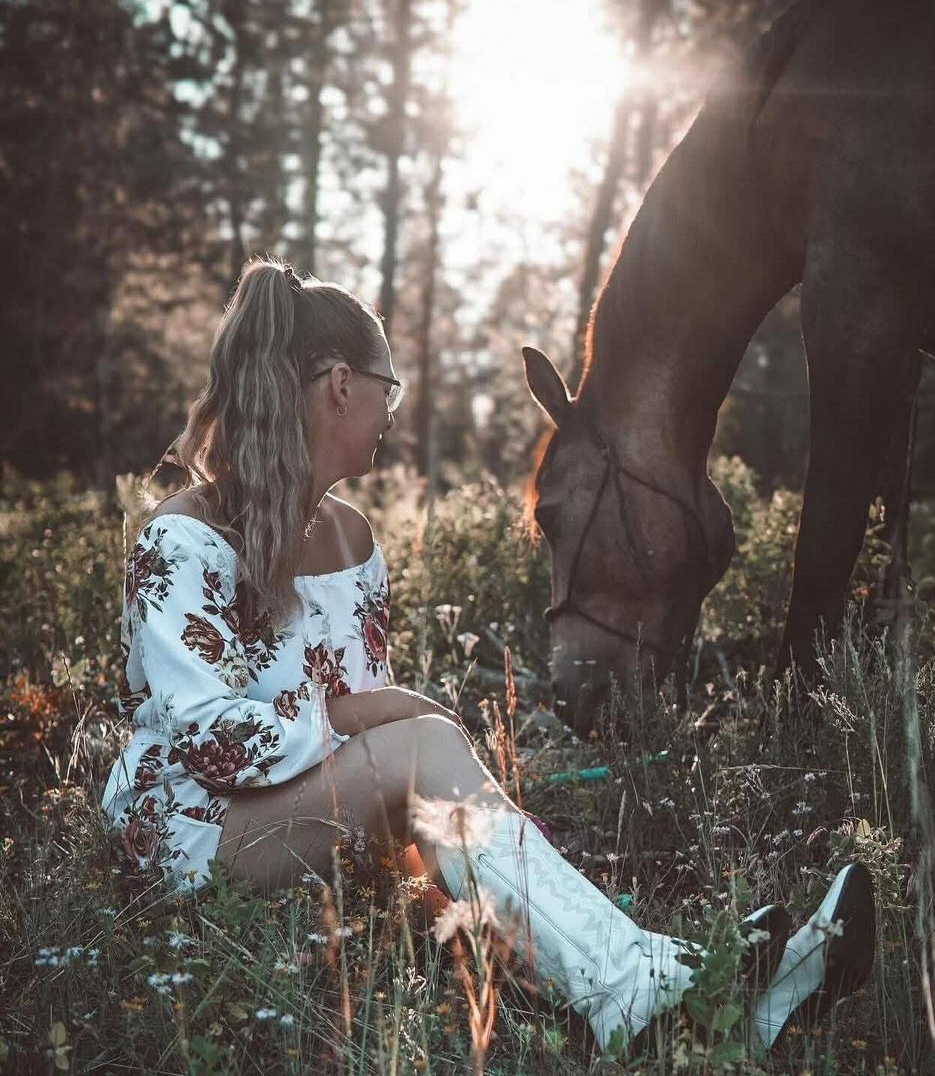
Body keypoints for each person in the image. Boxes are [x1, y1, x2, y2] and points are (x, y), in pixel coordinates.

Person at [100, 256, 875, 1059]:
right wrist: (376, 715)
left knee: (456, 810)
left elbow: (368, 770)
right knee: (425, 748)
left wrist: (470, 848)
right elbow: (216, 745)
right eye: (388, 387)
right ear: (340, 385)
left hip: (302, 823)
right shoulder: (183, 538)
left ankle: (726, 999)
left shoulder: (353, 537)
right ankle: (657, 984)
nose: (392, 411)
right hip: (192, 834)